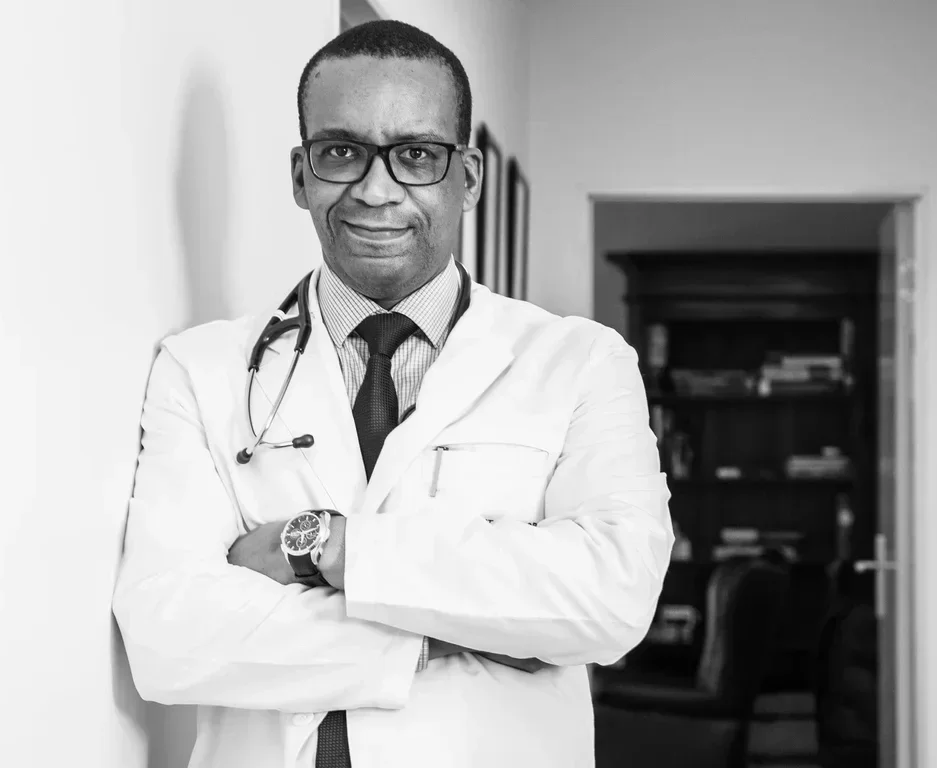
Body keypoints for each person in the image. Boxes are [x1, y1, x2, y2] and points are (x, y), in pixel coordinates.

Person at [113, 19, 673, 768]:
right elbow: (168, 639)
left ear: (467, 178)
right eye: (341, 152)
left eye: (415, 155)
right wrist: (456, 631)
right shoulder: (200, 368)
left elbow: (612, 598)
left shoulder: (581, 362)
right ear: (301, 175)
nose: (376, 191)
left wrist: (325, 547)